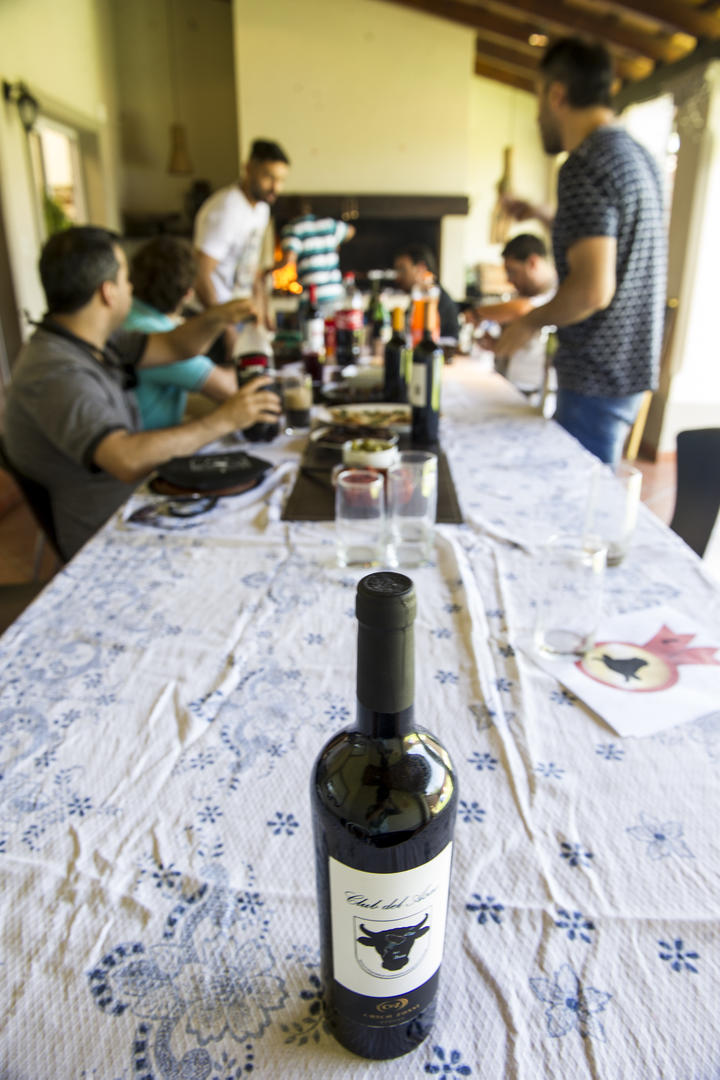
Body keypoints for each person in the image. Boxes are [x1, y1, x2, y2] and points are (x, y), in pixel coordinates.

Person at [4, 226, 281, 560]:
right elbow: (126, 459)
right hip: (111, 536)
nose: (131, 288)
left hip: (143, 504)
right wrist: (224, 420)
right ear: (108, 292)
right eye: (125, 279)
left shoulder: (94, 342)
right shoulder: (55, 370)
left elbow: (175, 345)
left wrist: (219, 316)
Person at [490, 37, 667, 465]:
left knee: (577, 495)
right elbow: (609, 242)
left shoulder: (584, 163)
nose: (537, 115)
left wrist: (528, 323)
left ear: (557, 95)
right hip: (630, 365)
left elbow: (592, 290)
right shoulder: (636, 156)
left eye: (538, 99)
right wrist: (541, 213)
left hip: (594, 372)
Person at [124, 236, 237, 429]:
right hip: (150, 442)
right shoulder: (159, 337)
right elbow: (229, 389)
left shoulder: (127, 317)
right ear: (188, 294)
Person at [193, 138, 290, 358]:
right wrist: (225, 328)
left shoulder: (261, 209)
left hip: (239, 315)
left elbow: (251, 267)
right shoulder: (227, 208)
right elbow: (201, 273)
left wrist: (263, 312)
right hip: (213, 319)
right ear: (248, 169)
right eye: (269, 177)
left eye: (281, 180)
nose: (276, 187)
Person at [472, 233, 557, 395]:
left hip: (535, 392)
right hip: (512, 386)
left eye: (512, 272)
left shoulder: (557, 292)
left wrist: (477, 313)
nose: (509, 280)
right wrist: (497, 344)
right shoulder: (526, 293)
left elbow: (522, 309)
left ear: (532, 263)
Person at [279, 199, 355, 306]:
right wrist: (336, 242)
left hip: (313, 296)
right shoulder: (328, 224)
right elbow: (351, 230)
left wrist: (267, 271)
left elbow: (288, 259)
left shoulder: (292, 228)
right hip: (335, 292)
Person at [394, 244, 459, 340]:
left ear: (421, 268)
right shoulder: (418, 297)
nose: (398, 277)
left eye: (403, 270)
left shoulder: (435, 300)